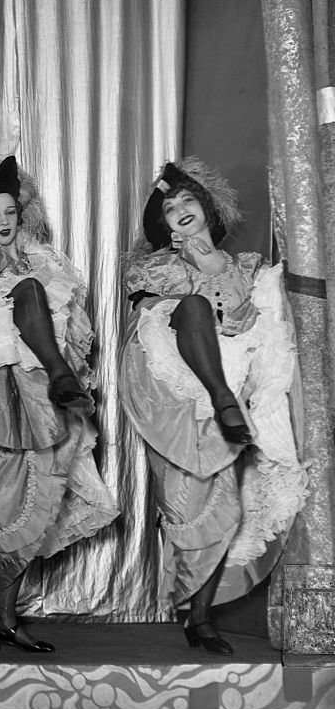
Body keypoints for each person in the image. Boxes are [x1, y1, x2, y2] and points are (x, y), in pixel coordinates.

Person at [120, 159, 308, 655]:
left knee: (224, 503)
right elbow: (152, 323)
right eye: (169, 206)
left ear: (207, 209)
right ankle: (192, 608)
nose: (180, 209)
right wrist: (199, 283)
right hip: (177, 393)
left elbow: (258, 323)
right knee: (184, 500)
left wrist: (213, 270)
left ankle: (200, 620)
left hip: (234, 388)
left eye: (188, 200)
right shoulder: (153, 264)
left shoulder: (245, 265)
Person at [0, 155, 118, 653]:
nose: (2, 223)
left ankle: (2, 617)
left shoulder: (47, 263)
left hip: (41, 389)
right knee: (1, 501)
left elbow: (75, 331)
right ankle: (1, 615)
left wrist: (69, 369)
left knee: (35, 500)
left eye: (9, 214)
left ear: (22, 216)